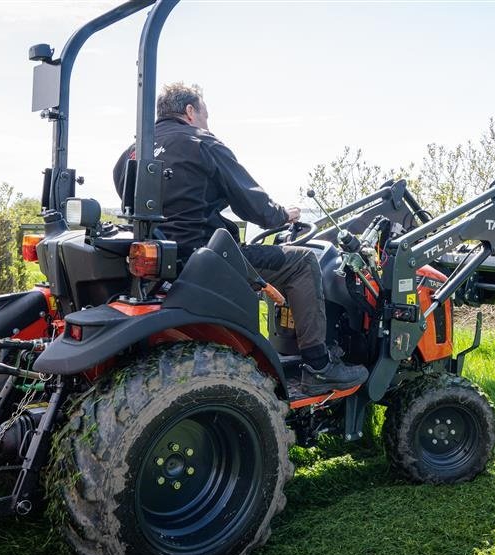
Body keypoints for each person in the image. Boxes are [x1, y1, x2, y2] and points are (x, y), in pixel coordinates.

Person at [113, 82, 368, 396]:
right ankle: (318, 365)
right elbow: (254, 206)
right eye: (205, 115)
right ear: (190, 111)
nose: (207, 123)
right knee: (302, 262)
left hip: (161, 259)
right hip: (204, 257)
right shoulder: (203, 143)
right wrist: (283, 215)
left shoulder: (131, 152)